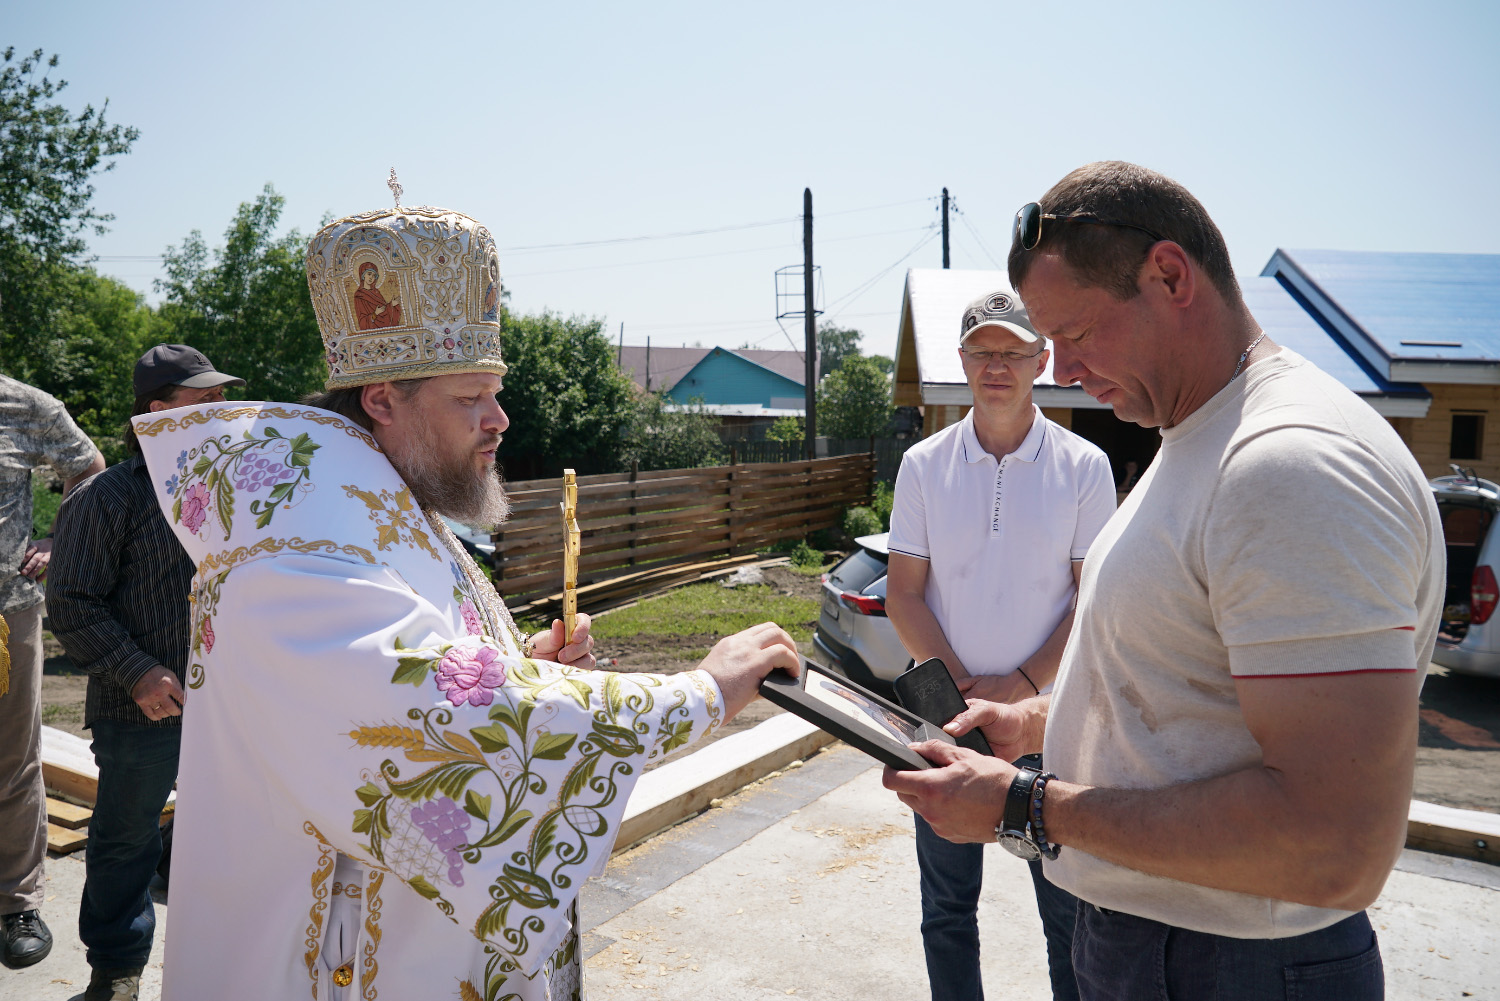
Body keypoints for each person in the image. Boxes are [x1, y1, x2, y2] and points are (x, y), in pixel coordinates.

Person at [130, 202, 800, 1001]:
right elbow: (420, 711)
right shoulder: (296, 549)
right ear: (383, 400)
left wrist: (523, 665)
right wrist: (699, 692)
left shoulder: (382, 504)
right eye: (470, 397)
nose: (500, 419)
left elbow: (428, 662)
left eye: (496, 391)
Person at [884, 161, 1442, 1000]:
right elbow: (1181, 686)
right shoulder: (1199, 440)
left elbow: (1334, 845)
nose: (1063, 369)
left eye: (1075, 332)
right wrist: (1032, 721)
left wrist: (1026, 805)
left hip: (1231, 963)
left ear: (1171, 276)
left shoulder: (1288, 465)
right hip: (1180, 947)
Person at [884, 290, 1115, 1001]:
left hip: (1049, 721)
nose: (997, 366)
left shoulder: (1085, 466)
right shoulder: (923, 463)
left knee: (1067, 912)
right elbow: (903, 594)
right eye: (982, 351)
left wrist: (1019, 685)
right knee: (947, 909)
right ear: (961, 360)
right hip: (944, 722)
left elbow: (1092, 600)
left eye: (1013, 351)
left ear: (1041, 360)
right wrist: (958, 691)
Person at [46, 345, 245, 1001]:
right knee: (126, 841)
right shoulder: (107, 497)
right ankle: (117, 973)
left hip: (234, 706)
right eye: (204, 398)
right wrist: (136, 672)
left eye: (222, 395)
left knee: (236, 835)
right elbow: (71, 602)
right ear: (157, 412)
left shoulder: (244, 489)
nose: (222, 408)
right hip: (139, 709)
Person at [0, 374, 104, 969]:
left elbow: (88, 466)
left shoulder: (22, 404)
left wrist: (56, 535)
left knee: (13, 758)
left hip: (7, 612)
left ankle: (17, 903)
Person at [353, 261, 403, 329]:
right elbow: (362, 321)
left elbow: (384, 310)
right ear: (363, 275)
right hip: (372, 327)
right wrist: (375, 313)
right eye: (369, 274)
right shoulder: (359, 295)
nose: (371, 277)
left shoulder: (376, 292)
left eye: (374, 276)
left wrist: (392, 305)